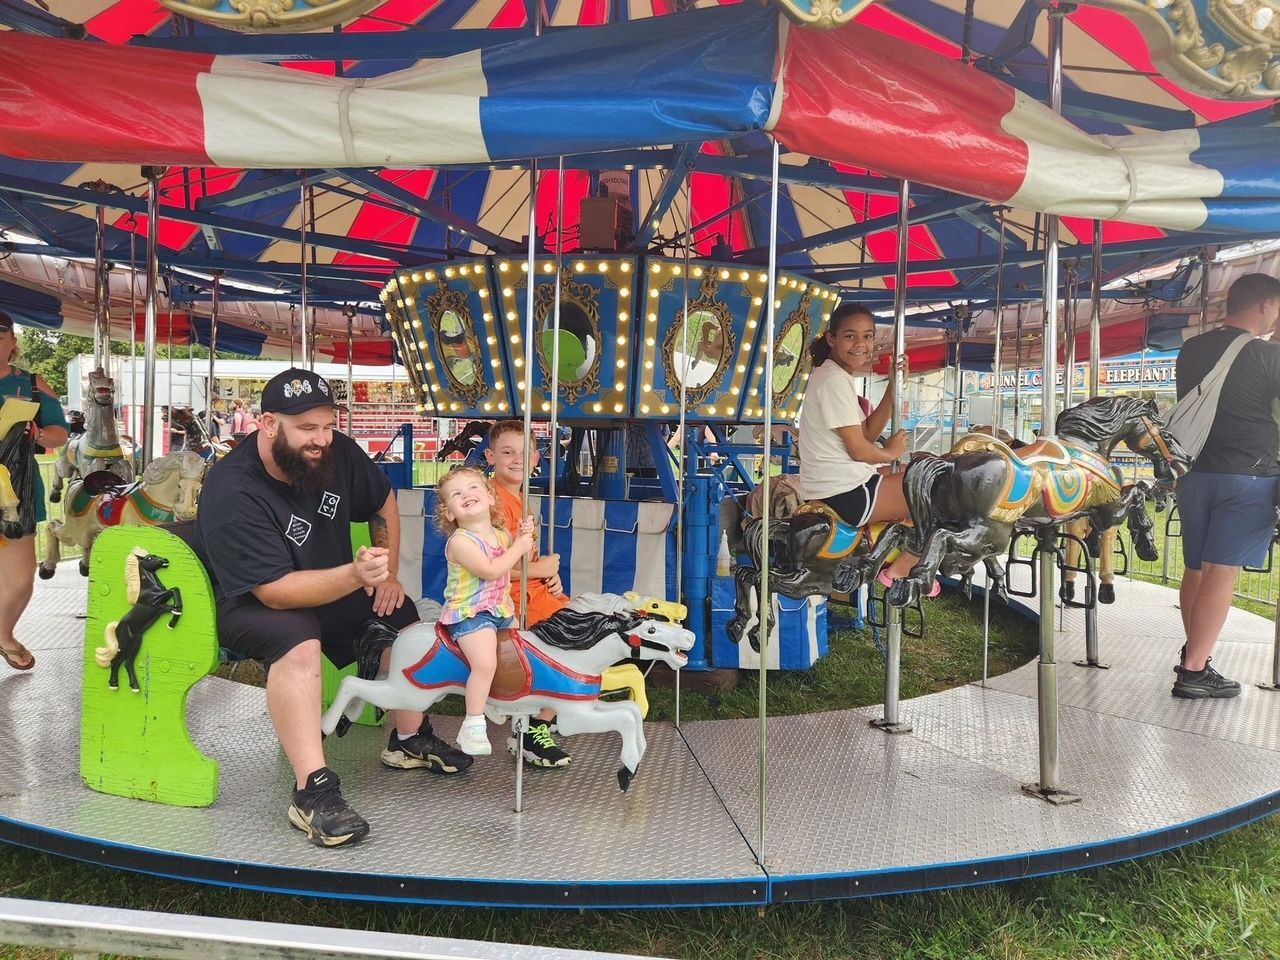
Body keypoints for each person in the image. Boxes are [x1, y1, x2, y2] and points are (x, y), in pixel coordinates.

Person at [194, 367, 471, 848]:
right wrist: (353, 576)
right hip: (248, 600)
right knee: (298, 640)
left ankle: (408, 737)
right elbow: (274, 593)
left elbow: (383, 498)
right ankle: (311, 789)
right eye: (307, 428)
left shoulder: (336, 451)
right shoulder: (233, 488)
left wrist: (386, 574)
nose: (321, 439)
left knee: (401, 618)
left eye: (327, 425)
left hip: (330, 583)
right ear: (268, 423)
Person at [1172, 273, 1280, 699]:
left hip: (1195, 474)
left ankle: (1195, 654)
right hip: (1248, 476)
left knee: (1196, 568)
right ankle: (1194, 670)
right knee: (1222, 571)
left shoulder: (1191, 349)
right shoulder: (1268, 356)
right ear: (1265, 306)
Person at [796, 302, 932, 592]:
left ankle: (902, 543)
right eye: (850, 336)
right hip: (846, 493)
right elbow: (859, 449)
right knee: (937, 489)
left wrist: (894, 387)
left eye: (868, 336)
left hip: (843, 485)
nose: (861, 344)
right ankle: (902, 568)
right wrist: (891, 453)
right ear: (831, 339)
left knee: (924, 472)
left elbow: (867, 434)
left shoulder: (835, 375)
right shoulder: (832, 379)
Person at [485, 420, 573, 767]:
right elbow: (492, 566)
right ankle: (533, 729)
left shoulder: (520, 499)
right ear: (491, 456)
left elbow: (529, 559)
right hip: (507, 594)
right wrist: (543, 570)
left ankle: (544, 719)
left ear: (537, 457)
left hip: (530, 589)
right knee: (568, 641)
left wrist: (551, 578)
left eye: (524, 453)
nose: (516, 459)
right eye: (507, 452)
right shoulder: (492, 504)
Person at [435, 465, 537, 756]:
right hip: (470, 613)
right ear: (450, 513)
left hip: (500, 609)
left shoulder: (502, 534)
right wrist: (519, 546)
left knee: (521, 654)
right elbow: (491, 570)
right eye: (457, 494)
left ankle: (497, 699)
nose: (466, 494)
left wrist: (524, 539)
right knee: (485, 663)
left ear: (491, 497)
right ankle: (472, 725)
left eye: (473, 488)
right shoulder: (461, 542)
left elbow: (517, 562)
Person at [0, 311, 69, 672]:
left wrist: (37, 433)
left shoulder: (32, 384)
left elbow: (60, 433)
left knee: (21, 581)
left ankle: (3, 633)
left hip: (16, 492)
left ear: (13, 342)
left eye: (0, 334)